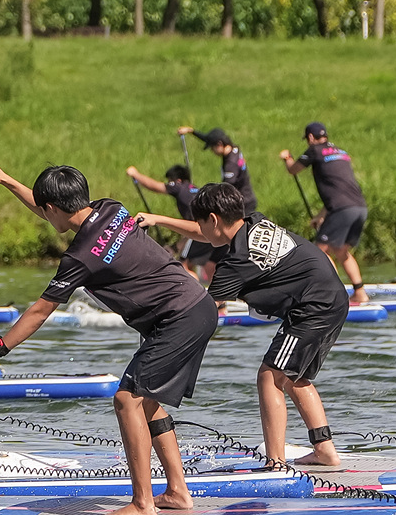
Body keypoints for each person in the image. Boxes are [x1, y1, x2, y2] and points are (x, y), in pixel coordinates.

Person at [0, 162, 219, 515]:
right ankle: (178, 492)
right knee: (147, 403)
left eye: (45, 210)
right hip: (197, 304)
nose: (44, 215)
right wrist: (7, 178)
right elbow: (51, 208)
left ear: (52, 209)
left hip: (178, 318)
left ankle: (142, 504)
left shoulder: (79, 258)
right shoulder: (111, 208)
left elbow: (40, 312)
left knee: (126, 401)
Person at [137, 182, 348, 468]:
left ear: (213, 219)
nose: (200, 230)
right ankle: (324, 450)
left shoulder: (236, 261)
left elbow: (202, 309)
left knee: (270, 376)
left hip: (313, 307)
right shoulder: (252, 222)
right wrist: (158, 219)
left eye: (202, 221)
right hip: (331, 298)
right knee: (293, 377)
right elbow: (206, 232)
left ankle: (276, 463)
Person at [282, 122, 371, 306]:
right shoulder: (342, 152)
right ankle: (360, 293)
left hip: (342, 209)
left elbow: (293, 169)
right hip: (359, 207)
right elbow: (339, 189)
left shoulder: (314, 150)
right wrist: (321, 215)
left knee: (319, 250)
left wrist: (287, 158)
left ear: (311, 138)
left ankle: (333, 296)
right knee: (341, 250)